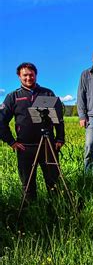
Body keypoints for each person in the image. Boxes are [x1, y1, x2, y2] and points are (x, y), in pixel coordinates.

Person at [0, 62, 65, 201]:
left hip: (48, 146)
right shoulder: (13, 97)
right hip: (25, 148)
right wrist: (11, 142)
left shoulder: (47, 93)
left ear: (36, 75)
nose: (28, 78)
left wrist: (60, 138)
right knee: (28, 186)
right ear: (19, 76)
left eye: (31, 75)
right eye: (25, 75)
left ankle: (56, 211)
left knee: (54, 183)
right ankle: (31, 216)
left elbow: (58, 118)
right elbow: (1, 121)